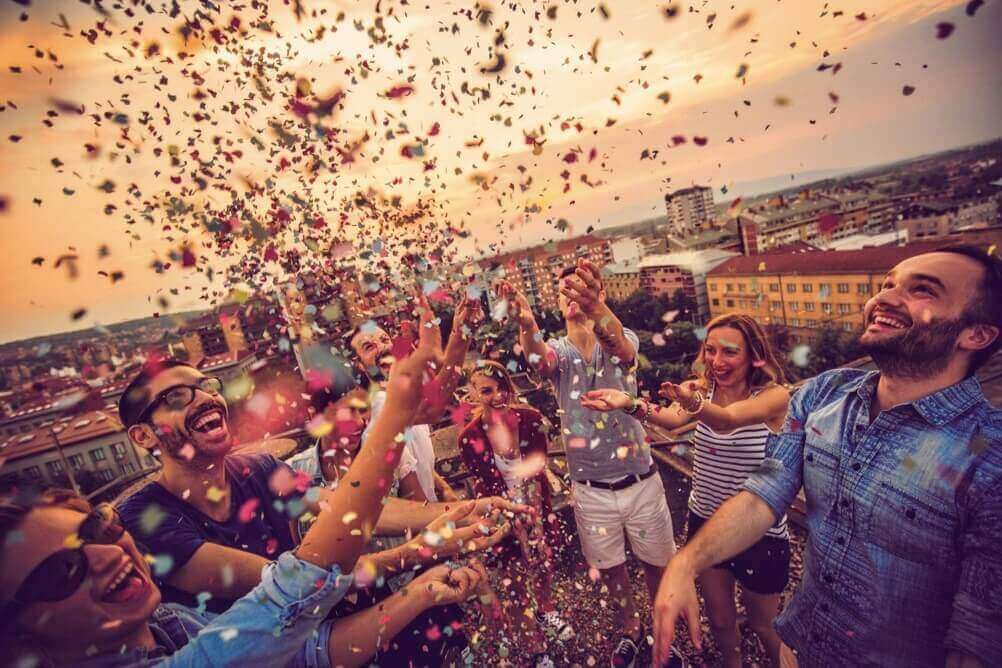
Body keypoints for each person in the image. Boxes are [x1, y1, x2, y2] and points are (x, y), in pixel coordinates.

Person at [0, 323, 490, 667]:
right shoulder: (145, 520)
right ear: (144, 437)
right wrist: (425, 544)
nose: (203, 399)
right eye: (175, 399)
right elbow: (291, 588)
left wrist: (453, 512)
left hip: (326, 642)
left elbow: (338, 508)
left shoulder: (255, 467)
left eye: (204, 386)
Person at [652, 245, 1002, 668]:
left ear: (976, 335)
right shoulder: (824, 394)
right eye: (888, 284)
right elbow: (762, 495)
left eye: (923, 291)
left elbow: (978, 637)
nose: (884, 297)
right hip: (797, 652)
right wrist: (685, 563)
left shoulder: (989, 456)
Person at [582, 313, 792, 667]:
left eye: (729, 352)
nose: (716, 361)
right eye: (710, 350)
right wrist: (627, 402)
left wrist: (694, 402)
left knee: (765, 626)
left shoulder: (773, 396)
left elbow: (727, 420)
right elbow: (670, 419)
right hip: (705, 523)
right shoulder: (702, 388)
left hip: (759, 531)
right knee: (722, 623)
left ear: (754, 354)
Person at [499, 258, 677, 668]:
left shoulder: (620, 336)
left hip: (640, 481)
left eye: (582, 287)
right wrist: (526, 324)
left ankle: (661, 631)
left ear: (598, 294)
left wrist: (597, 307)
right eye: (566, 290)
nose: (573, 295)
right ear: (558, 303)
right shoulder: (559, 353)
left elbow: (622, 345)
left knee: (657, 565)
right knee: (611, 569)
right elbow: (537, 361)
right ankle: (630, 631)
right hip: (591, 489)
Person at [458, 361, 575, 663]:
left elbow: (539, 464)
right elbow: (483, 484)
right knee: (515, 582)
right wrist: (509, 516)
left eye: (502, 388)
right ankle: (536, 648)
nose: (497, 395)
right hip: (502, 514)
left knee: (544, 564)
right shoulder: (469, 438)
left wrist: (532, 514)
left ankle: (546, 610)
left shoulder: (531, 418)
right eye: (486, 390)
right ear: (473, 394)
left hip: (536, 506)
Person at [350, 292, 482, 504]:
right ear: (359, 365)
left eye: (384, 339)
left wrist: (443, 487)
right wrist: (460, 334)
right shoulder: (380, 405)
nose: (383, 347)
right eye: (368, 347)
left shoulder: (400, 393)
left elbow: (410, 460)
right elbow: (435, 405)